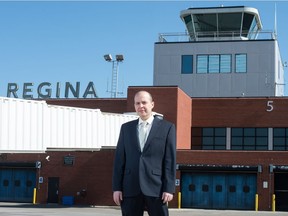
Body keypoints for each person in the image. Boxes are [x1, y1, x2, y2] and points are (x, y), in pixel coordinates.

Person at [112, 90, 176, 216]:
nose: (140, 106)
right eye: (137, 103)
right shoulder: (126, 128)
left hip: (156, 188)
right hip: (130, 188)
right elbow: (119, 160)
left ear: (152, 104)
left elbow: (170, 160)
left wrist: (169, 188)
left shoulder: (167, 128)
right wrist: (117, 188)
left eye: (144, 102)